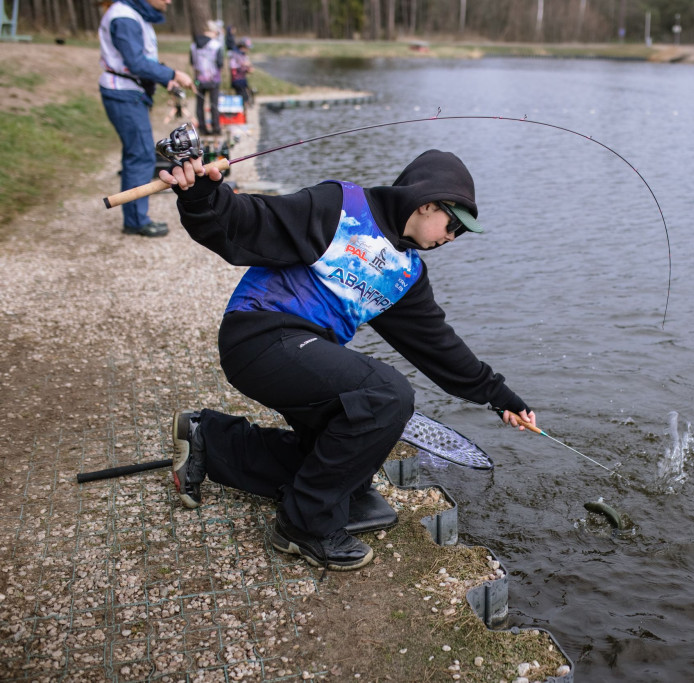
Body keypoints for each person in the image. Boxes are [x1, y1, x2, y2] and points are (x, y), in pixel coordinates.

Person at [159, 150, 538, 571]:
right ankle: (303, 527)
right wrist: (202, 196)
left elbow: (440, 347)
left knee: (341, 466)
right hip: (258, 335)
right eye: (453, 225)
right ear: (427, 203)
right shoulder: (339, 206)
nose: (452, 237)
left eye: (461, 233)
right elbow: (247, 222)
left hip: (306, 352)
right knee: (388, 394)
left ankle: (211, 440)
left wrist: (500, 396)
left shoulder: (406, 274)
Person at [98, 0, 194, 237]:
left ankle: (134, 217)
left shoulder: (133, 14)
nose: (169, 1)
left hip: (130, 93)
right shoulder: (124, 17)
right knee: (140, 155)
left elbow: (142, 60)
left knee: (136, 153)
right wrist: (173, 74)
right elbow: (136, 63)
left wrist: (165, 79)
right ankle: (136, 221)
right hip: (124, 94)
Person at [190, 21, 223, 135]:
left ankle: (202, 128)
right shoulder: (216, 45)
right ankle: (216, 128)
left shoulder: (194, 45)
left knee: (199, 104)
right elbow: (220, 63)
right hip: (213, 80)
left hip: (199, 79)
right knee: (214, 104)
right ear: (213, 32)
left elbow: (192, 62)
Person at [229, 37, 253, 109]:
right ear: (242, 46)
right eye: (247, 47)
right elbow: (232, 66)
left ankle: (244, 109)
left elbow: (247, 67)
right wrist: (243, 64)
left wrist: (248, 69)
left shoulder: (244, 55)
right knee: (242, 96)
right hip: (237, 79)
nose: (248, 49)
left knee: (246, 95)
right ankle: (241, 110)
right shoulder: (234, 54)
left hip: (243, 79)